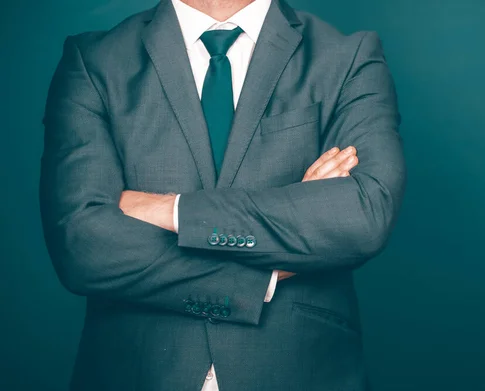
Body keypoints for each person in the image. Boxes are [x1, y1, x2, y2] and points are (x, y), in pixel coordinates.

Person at [39, 0, 405, 389]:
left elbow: (361, 215)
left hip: (299, 371)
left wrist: (172, 210)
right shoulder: (94, 60)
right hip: (137, 372)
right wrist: (261, 275)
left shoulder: (348, 56)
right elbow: (82, 244)